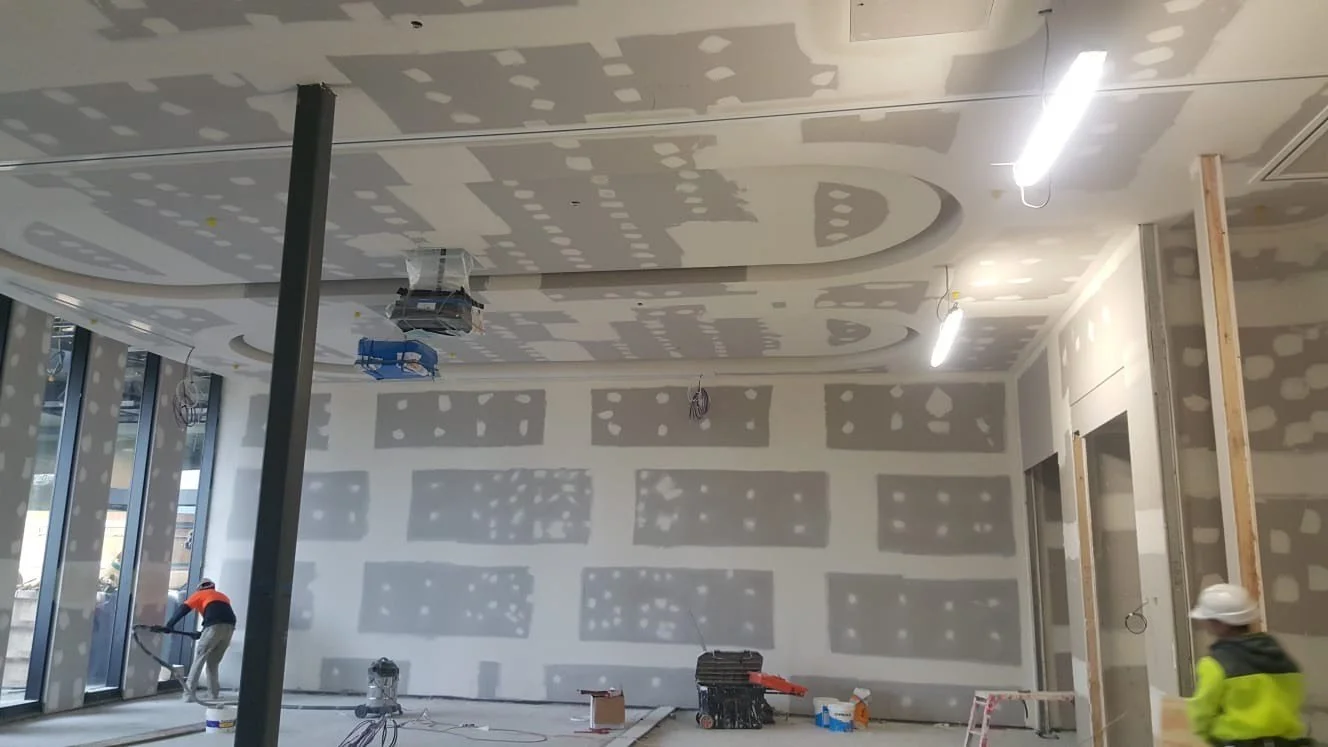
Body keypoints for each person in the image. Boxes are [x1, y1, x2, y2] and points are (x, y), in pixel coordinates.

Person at [1187, 583, 1309, 747]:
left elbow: (1201, 713)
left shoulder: (1215, 664)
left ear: (1221, 623)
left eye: (1208, 621)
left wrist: (1203, 737)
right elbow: (1295, 698)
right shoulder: (1282, 658)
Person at [162, 578, 237, 703]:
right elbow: (219, 616)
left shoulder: (199, 594)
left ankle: (188, 695)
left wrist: (169, 625)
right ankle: (213, 694)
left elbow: (183, 609)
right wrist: (202, 633)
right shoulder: (222, 596)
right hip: (230, 628)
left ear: (200, 588)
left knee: (199, 659)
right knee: (213, 663)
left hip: (213, 627)